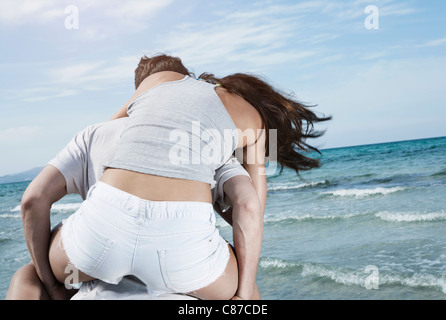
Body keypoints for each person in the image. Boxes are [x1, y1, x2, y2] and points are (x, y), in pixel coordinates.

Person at [40, 54, 329, 300]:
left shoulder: (161, 81)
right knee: (246, 283)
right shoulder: (258, 126)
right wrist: (243, 291)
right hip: (184, 258)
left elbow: (115, 128)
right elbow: (254, 210)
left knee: (35, 271)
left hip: (100, 235)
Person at [7, 117, 255, 300]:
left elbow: (32, 200)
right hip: (183, 273)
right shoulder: (202, 139)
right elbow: (247, 210)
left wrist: (51, 284)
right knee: (246, 281)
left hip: (96, 262)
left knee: (30, 273)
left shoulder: (95, 134)